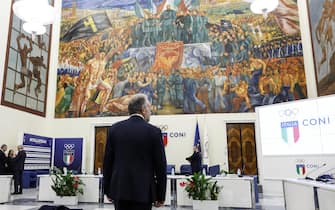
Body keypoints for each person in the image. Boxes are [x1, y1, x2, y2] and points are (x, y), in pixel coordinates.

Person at [103, 94, 167, 210]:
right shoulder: (154, 132)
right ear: (143, 110)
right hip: (144, 192)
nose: (150, 111)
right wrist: (161, 195)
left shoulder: (114, 129)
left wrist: (107, 189)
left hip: (120, 190)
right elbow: (160, 166)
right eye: (149, 108)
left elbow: (107, 163)